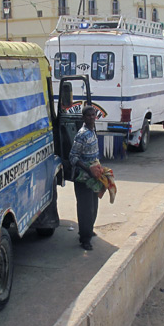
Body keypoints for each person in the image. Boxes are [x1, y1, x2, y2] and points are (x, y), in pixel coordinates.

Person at [69, 106, 101, 250]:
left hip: (94, 176)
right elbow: (73, 157)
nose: (91, 118)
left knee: (94, 206)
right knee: (85, 208)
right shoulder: (81, 134)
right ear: (83, 118)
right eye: (88, 116)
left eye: (93, 115)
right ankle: (85, 239)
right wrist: (88, 169)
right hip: (83, 177)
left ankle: (87, 230)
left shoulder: (93, 131)